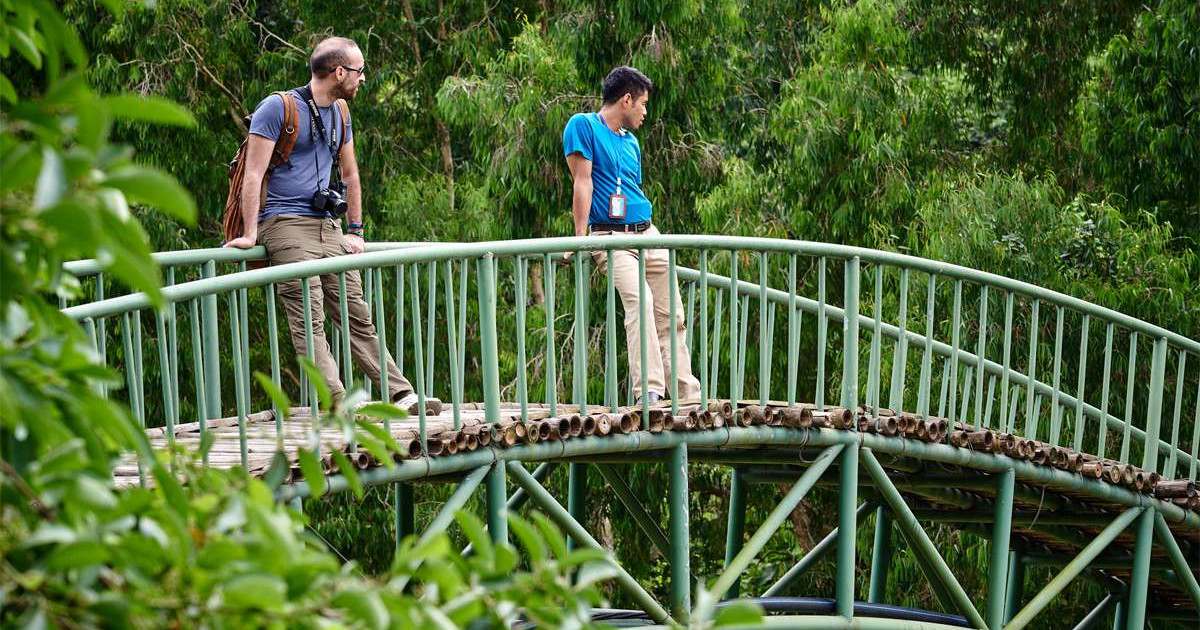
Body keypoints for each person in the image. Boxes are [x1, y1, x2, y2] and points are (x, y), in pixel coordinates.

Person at [225, 37, 438, 415]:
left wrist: (355, 230)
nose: (363, 78)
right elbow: (252, 174)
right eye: (358, 71)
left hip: (328, 226)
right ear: (339, 72)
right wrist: (250, 234)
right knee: (310, 317)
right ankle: (339, 404)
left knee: (357, 313)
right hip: (285, 223)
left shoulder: (340, 112)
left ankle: (401, 395)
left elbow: (350, 174)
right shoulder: (278, 108)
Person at [562, 66, 701, 405]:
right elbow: (583, 181)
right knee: (640, 301)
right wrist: (580, 239)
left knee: (672, 315)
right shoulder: (583, 126)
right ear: (626, 99)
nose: (644, 111)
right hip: (610, 237)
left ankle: (687, 397)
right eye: (643, 104)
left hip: (647, 233)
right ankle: (650, 393)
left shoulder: (632, 142)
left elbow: (631, 188)